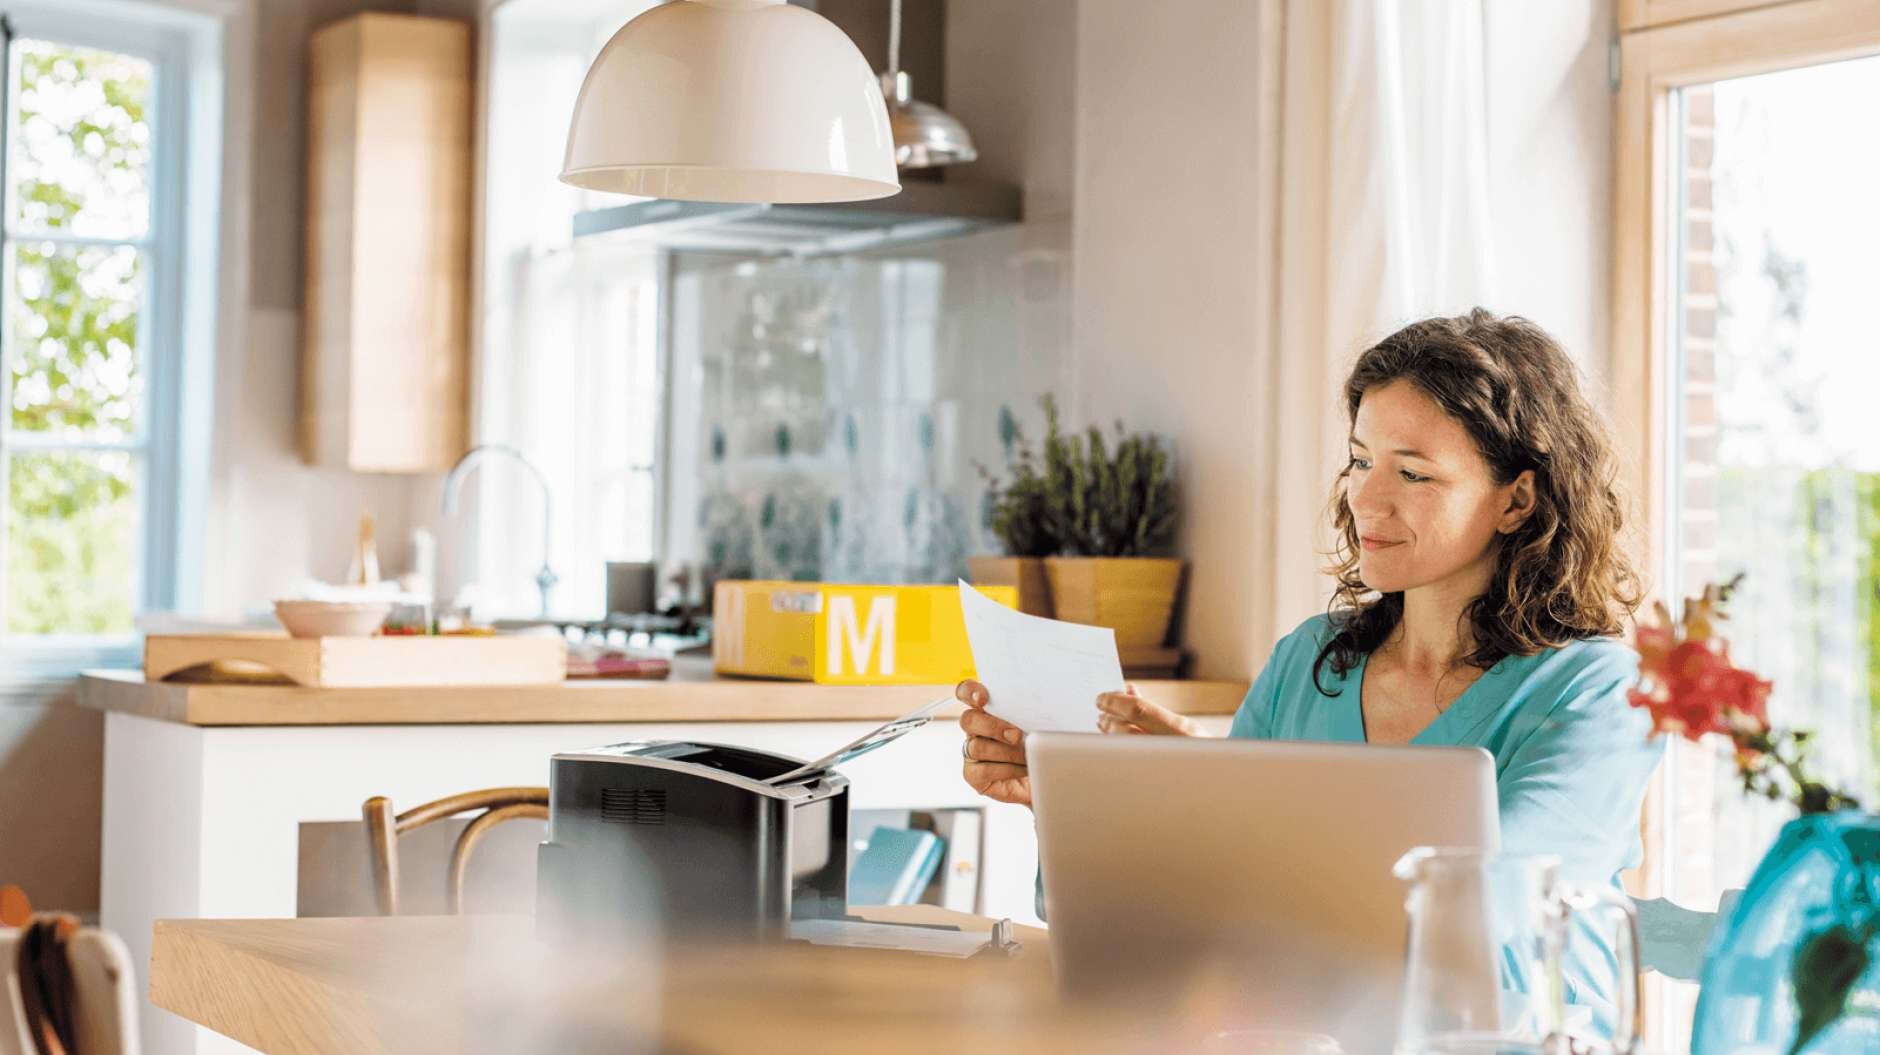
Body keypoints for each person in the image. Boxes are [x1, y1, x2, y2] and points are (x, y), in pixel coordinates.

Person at [957, 309, 1662, 1024]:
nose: (1364, 498)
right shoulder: (1309, 660)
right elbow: (1197, 920)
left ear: (1517, 498)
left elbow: (1475, 909)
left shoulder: (1600, 692)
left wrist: (1221, 811)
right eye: (1360, 460)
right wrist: (1093, 803)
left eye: (1412, 472)